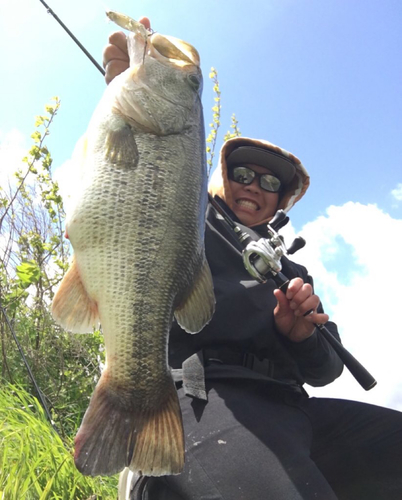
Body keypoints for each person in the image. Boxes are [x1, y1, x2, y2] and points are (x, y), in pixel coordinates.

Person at [103, 22, 402, 500]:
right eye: (242, 174)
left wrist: (299, 335)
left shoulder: (292, 271)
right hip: (203, 399)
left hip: (293, 408)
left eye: (269, 183)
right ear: (223, 179)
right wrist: (127, 88)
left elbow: (326, 370)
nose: (253, 187)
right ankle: (149, 471)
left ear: (280, 200)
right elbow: (139, 181)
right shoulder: (191, 215)